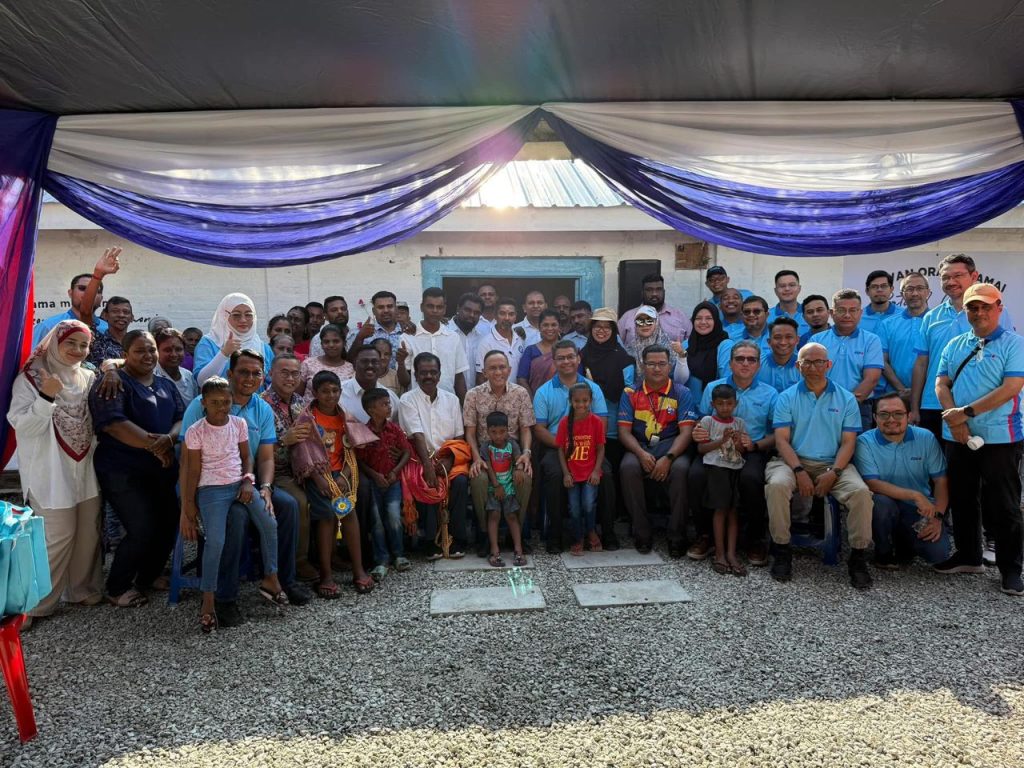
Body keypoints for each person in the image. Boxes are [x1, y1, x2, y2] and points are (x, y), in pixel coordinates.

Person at [179, 349, 311, 627]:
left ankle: (281, 579)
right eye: (243, 372)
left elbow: (265, 457)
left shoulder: (261, 408)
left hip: (245, 481)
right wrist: (186, 506)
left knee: (287, 506)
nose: (250, 378)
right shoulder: (202, 405)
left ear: (263, 377)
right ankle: (224, 597)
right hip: (206, 485)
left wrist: (266, 487)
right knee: (236, 517)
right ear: (230, 374)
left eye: (256, 373)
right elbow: (187, 463)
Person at [7, 320, 102, 626]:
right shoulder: (32, 378)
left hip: (85, 468)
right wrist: (46, 397)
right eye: (70, 343)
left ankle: (80, 589)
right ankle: (32, 605)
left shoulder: (87, 377)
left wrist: (112, 367)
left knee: (88, 532)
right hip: (49, 470)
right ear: (54, 343)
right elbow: (23, 426)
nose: (77, 350)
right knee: (56, 536)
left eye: (83, 345)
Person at [933, 283, 1024, 595]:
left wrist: (965, 413)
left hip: (1001, 436)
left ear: (999, 308)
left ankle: (1011, 569)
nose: (979, 312)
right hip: (958, 436)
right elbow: (941, 383)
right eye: (973, 307)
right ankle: (969, 556)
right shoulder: (955, 344)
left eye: (986, 306)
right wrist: (954, 419)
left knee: (1004, 504)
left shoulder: (1015, 344)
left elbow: (1011, 387)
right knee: (962, 498)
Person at [765, 342, 873, 589]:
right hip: (792, 460)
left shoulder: (846, 399)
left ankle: (858, 557)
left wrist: (834, 472)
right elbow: (781, 440)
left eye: (819, 362)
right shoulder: (786, 397)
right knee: (777, 486)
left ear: (828, 364)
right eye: (807, 362)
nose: (813, 367)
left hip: (833, 463)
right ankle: (782, 549)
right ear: (798, 366)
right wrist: (799, 471)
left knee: (860, 493)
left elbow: (849, 442)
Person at [89, 329, 183, 607]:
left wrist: (169, 440)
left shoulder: (165, 385)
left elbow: (181, 417)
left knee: (168, 524)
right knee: (141, 527)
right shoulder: (114, 383)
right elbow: (114, 425)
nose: (148, 355)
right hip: (123, 471)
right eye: (140, 350)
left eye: (151, 349)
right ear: (125, 354)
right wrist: (157, 447)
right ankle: (117, 586)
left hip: (162, 470)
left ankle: (148, 576)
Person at [911, 253, 1015, 439]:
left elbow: (1004, 357)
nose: (951, 282)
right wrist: (914, 407)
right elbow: (921, 364)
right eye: (945, 277)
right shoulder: (931, 317)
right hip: (933, 405)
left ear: (974, 276)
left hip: (977, 406)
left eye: (958, 275)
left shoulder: (995, 313)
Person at [291, 370, 374, 597]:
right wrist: (319, 480)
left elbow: (351, 447)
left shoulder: (344, 417)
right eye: (325, 391)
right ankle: (326, 575)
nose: (331, 396)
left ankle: (358, 570)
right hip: (318, 475)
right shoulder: (307, 419)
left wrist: (345, 475)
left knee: (349, 514)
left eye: (335, 390)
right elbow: (303, 453)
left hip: (342, 475)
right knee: (326, 517)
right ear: (315, 393)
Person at [854, 392, 951, 569]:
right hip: (885, 505)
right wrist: (915, 495)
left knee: (938, 554)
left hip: (917, 509)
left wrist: (937, 517)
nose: (891, 419)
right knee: (880, 503)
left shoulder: (926, 437)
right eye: (884, 414)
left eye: (898, 414)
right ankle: (883, 552)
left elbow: (941, 480)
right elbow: (872, 483)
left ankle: (904, 543)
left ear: (909, 416)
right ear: (875, 417)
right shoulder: (864, 442)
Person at [535, 341, 615, 553]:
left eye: (570, 356)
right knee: (554, 474)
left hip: (589, 446)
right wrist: (565, 444)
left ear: (578, 358)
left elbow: (602, 424)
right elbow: (540, 429)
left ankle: (607, 532)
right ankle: (555, 535)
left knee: (606, 472)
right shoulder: (543, 392)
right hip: (557, 446)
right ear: (554, 361)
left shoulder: (593, 389)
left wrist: (583, 445)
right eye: (560, 358)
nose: (566, 361)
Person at [617, 344, 697, 556]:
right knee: (628, 467)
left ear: (670, 366)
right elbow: (624, 432)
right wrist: (641, 454)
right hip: (640, 446)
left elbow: (686, 432)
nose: (656, 368)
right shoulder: (631, 393)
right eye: (651, 364)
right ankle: (641, 532)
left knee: (680, 470)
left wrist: (669, 458)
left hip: (673, 446)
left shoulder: (682, 392)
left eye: (662, 363)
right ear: (642, 366)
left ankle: (677, 535)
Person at [463, 350, 535, 556]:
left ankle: (517, 534)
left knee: (524, 477)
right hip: (485, 455)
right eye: (492, 368)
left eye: (502, 367)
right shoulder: (473, 395)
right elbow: (470, 432)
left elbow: (526, 429)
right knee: (478, 479)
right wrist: (477, 458)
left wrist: (526, 454)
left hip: (512, 453)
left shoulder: (520, 393)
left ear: (509, 370)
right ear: (484, 372)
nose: (498, 372)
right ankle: (484, 534)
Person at [399, 353, 471, 558]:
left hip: (450, 457)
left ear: (439, 375)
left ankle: (457, 539)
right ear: (416, 375)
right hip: (420, 458)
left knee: (460, 481)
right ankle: (429, 541)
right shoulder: (407, 400)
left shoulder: (452, 400)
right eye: (423, 373)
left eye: (433, 372)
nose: (428, 376)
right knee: (427, 482)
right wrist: (429, 467)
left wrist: (449, 460)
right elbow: (417, 435)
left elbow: (459, 436)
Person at [261, 353, 320, 583]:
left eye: (295, 373)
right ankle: (298, 560)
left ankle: (327, 554)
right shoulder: (262, 403)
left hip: (302, 466)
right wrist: (284, 440)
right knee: (300, 501)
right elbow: (256, 450)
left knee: (332, 491)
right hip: (275, 472)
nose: (290, 378)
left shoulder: (299, 401)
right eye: (284, 373)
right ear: (271, 373)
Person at [355, 388, 412, 580]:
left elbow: (406, 452)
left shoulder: (394, 429)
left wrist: (395, 471)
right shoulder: (364, 432)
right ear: (371, 410)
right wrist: (375, 475)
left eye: (389, 403)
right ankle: (381, 560)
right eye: (384, 404)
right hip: (374, 483)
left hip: (392, 482)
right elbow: (359, 460)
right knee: (377, 521)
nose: (389, 407)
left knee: (394, 516)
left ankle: (399, 554)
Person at [695, 383, 749, 576]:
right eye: (720, 404)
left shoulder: (739, 423)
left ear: (736, 404)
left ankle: (731, 554)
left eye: (729, 403)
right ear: (713, 404)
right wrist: (722, 440)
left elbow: (742, 450)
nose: (725, 408)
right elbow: (701, 449)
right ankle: (719, 553)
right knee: (720, 510)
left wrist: (737, 442)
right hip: (716, 469)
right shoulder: (708, 421)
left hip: (735, 468)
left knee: (733, 511)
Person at [810, 289, 883, 430]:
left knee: (858, 445)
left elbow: (871, 379)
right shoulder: (817, 340)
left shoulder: (871, 340)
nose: (847, 315)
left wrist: (845, 405)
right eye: (841, 310)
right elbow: (811, 376)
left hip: (859, 407)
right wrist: (829, 405)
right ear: (832, 313)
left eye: (853, 310)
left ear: (860, 313)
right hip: (821, 405)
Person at [579, 308, 634, 482]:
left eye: (607, 327)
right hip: (585, 423)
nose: (601, 331)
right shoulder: (581, 356)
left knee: (612, 471)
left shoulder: (624, 359)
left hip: (613, 426)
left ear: (613, 331)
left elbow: (628, 392)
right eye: (597, 326)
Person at [556, 383, 606, 556]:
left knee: (589, 503)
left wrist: (596, 471)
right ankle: (577, 538)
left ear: (591, 401)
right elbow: (560, 450)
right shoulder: (564, 423)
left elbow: (600, 448)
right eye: (577, 401)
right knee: (574, 507)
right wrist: (566, 473)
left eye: (585, 400)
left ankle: (591, 531)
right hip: (572, 474)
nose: (581, 404)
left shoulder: (596, 422)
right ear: (570, 401)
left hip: (590, 473)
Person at [32, 247, 118, 345]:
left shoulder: (108, 329)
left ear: (101, 298)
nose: (88, 294)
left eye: (95, 291)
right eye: (82, 288)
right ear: (70, 293)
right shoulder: (48, 327)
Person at [399, 287, 469, 400]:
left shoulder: (453, 338)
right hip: (416, 403)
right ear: (422, 307)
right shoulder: (407, 337)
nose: (435, 311)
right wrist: (401, 362)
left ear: (444, 309)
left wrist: (465, 406)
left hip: (448, 403)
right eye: (430, 306)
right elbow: (404, 381)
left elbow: (459, 377)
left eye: (439, 307)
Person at [194, 293, 273, 385]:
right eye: (236, 315)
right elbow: (201, 381)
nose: (243, 320)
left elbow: (272, 382)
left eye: (248, 315)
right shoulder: (209, 343)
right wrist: (224, 353)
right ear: (224, 316)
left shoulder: (264, 348)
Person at [480, 411, 527, 567]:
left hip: (509, 488)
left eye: (502, 432)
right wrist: (496, 486)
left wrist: (519, 469)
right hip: (493, 488)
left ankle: (518, 550)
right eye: (494, 432)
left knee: (512, 516)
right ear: (488, 432)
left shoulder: (512, 444)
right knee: (494, 515)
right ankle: (495, 551)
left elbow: (518, 459)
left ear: (508, 430)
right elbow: (488, 467)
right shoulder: (486, 447)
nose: (498, 436)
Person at [877, 272, 931, 400]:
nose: (915, 293)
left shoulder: (938, 322)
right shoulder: (888, 324)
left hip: (930, 396)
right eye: (909, 289)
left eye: (920, 288)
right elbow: (882, 361)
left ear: (928, 292)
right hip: (896, 396)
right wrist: (901, 389)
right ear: (902, 294)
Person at [625, 305, 689, 388]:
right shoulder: (630, 350)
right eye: (640, 321)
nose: (645, 325)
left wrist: (681, 355)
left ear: (656, 322)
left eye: (649, 321)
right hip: (638, 394)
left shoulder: (671, 347)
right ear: (635, 325)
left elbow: (681, 380)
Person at [619, 273, 691, 346]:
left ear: (664, 292)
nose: (654, 294)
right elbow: (616, 345)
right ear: (642, 293)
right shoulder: (628, 317)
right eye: (649, 290)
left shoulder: (680, 317)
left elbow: (692, 344)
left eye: (658, 289)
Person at [341, 345, 400, 423]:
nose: (370, 365)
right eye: (364, 361)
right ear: (354, 365)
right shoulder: (339, 393)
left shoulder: (391, 398)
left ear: (380, 366)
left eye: (375, 362)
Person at [683, 301, 729, 403]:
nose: (703, 322)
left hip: (713, 405)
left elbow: (726, 379)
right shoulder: (686, 345)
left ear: (716, 320)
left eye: (709, 318)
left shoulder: (725, 345)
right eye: (698, 318)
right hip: (687, 404)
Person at [475, 297, 527, 385]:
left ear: (515, 316)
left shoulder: (520, 338)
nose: (507, 318)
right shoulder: (486, 343)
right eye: (502, 313)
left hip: (517, 392)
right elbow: (481, 377)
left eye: (511, 314)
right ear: (495, 316)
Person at [716, 295, 772, 377]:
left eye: (756, 311)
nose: (751, 315)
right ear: (742, 315)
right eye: (747, 312)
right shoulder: (731, 339)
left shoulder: (777, 338)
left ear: (767, 314)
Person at [350, 291, 404, 370]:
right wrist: (360, 338)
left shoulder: (407, 331)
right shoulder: (362, 334)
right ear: (374, 311)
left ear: (396, 309)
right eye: (381, 307)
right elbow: (350, 362)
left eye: (389, 306)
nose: (386, 310)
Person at [298, 323, 354, 396]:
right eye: (326, 342)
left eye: (336, 341)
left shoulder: (350, 368)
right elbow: (297, 396)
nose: (331, 345)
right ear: (321, 344)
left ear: (344, 343)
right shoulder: (308, 364)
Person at [516, 309, 561, 396]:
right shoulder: (530, 351)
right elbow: (521, 379)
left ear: (559, 327)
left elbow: (576, 377)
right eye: (545, 325)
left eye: (553, 325)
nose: (550, 328)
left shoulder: (568, 349)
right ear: (539, 328)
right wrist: (533, 400)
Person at [447, 293, 488, 375]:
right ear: (458, 308)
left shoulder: (484, 336)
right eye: (467, 310)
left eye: (476, 312)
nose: (472, 315)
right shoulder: (445, 333)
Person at [86, 296, 133, 367]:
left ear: (132, 317)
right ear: (105, 315)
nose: (121, 315)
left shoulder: (136, 343)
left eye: (126, 312)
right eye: (115, 311)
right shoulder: (95, 341)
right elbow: (85, 311)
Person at [155, 327, 198, 404]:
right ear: (157, 351)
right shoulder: (152, 378)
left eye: (178, 349)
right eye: (167, 350)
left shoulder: (188, 376)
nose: (174, 354)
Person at [757, 318, 801, 393]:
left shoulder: (805, 366)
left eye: (789, 337)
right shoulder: (757, 364)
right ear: (769, 341)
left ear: (797, 340)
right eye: (777, 337)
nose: (783, 342)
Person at [768, 270, 810, 337]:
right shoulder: (766, 316)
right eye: (782, 286)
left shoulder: (810, 314)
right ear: (775, 291)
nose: (787, 289)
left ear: (799, 288)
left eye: (792, 285)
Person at [860, 270, 899, 335]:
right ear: (867, 291)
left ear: (891, 289)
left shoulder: (903, 315)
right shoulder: (858, 317)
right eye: (874, 286)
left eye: (884, 286)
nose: (879, 290)